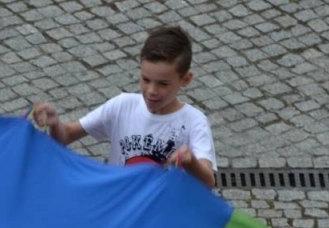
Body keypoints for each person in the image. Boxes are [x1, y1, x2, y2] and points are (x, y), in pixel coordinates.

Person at [31, 25, 216, 188]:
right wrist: (55, 123)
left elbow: (208, 180)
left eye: (163, 84)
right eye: (145, 79)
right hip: (120, 210)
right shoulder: (122, 106)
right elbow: (67, 136)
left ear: (186, 79)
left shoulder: (194, 121)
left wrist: (190, 162)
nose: (151, 91)